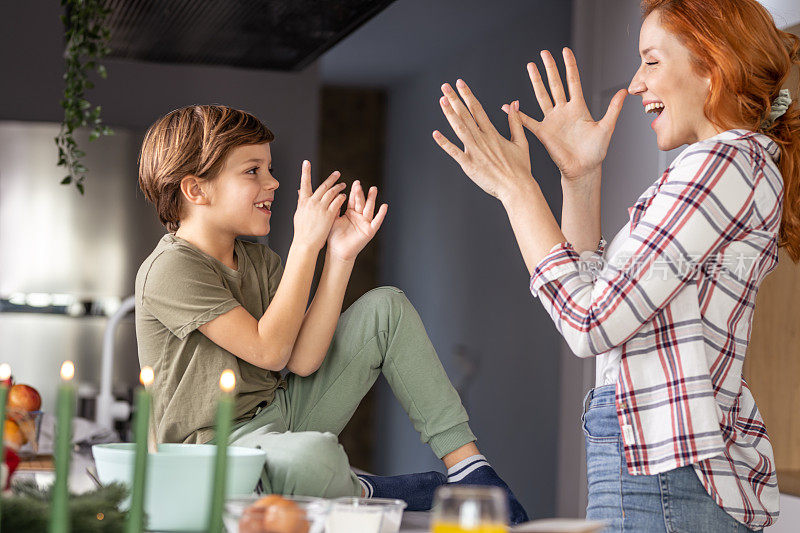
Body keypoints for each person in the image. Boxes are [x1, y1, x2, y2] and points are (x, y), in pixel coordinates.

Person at [432, 0, 798, 530]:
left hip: (664, 478)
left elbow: (589, 324)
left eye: (651, 61)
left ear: (712, 67)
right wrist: (579, 180)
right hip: (664, 470)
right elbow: (599, 302)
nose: (634, 82)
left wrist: (516, 190)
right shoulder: (736, 167)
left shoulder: (721, 163)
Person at [134, 105, 529, 523]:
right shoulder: (170, 269)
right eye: (253, 170)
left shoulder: (258, 261)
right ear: (196, 190)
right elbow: (269, 351)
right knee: (314, 456)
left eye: (269, 168)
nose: (273, 181)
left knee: (386, 307)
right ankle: (377, 491)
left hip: (281, 414)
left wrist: (339, 256)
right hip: (217, 455)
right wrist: (305, 245)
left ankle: (470, 470)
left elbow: (302, 360)